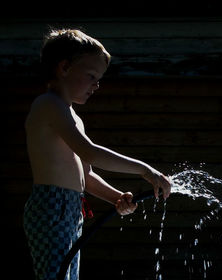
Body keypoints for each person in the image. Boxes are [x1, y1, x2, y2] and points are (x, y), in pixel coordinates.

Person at [23, 28, 172, 280]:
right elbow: (90, 152)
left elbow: (86, 176)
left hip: (70, 208)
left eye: (99, 78)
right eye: (92, 76)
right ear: (64, 68)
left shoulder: (73, 117)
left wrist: (116, 197)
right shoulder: (48, 105)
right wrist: (146, 170)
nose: (97, 84)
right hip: (51, 207)